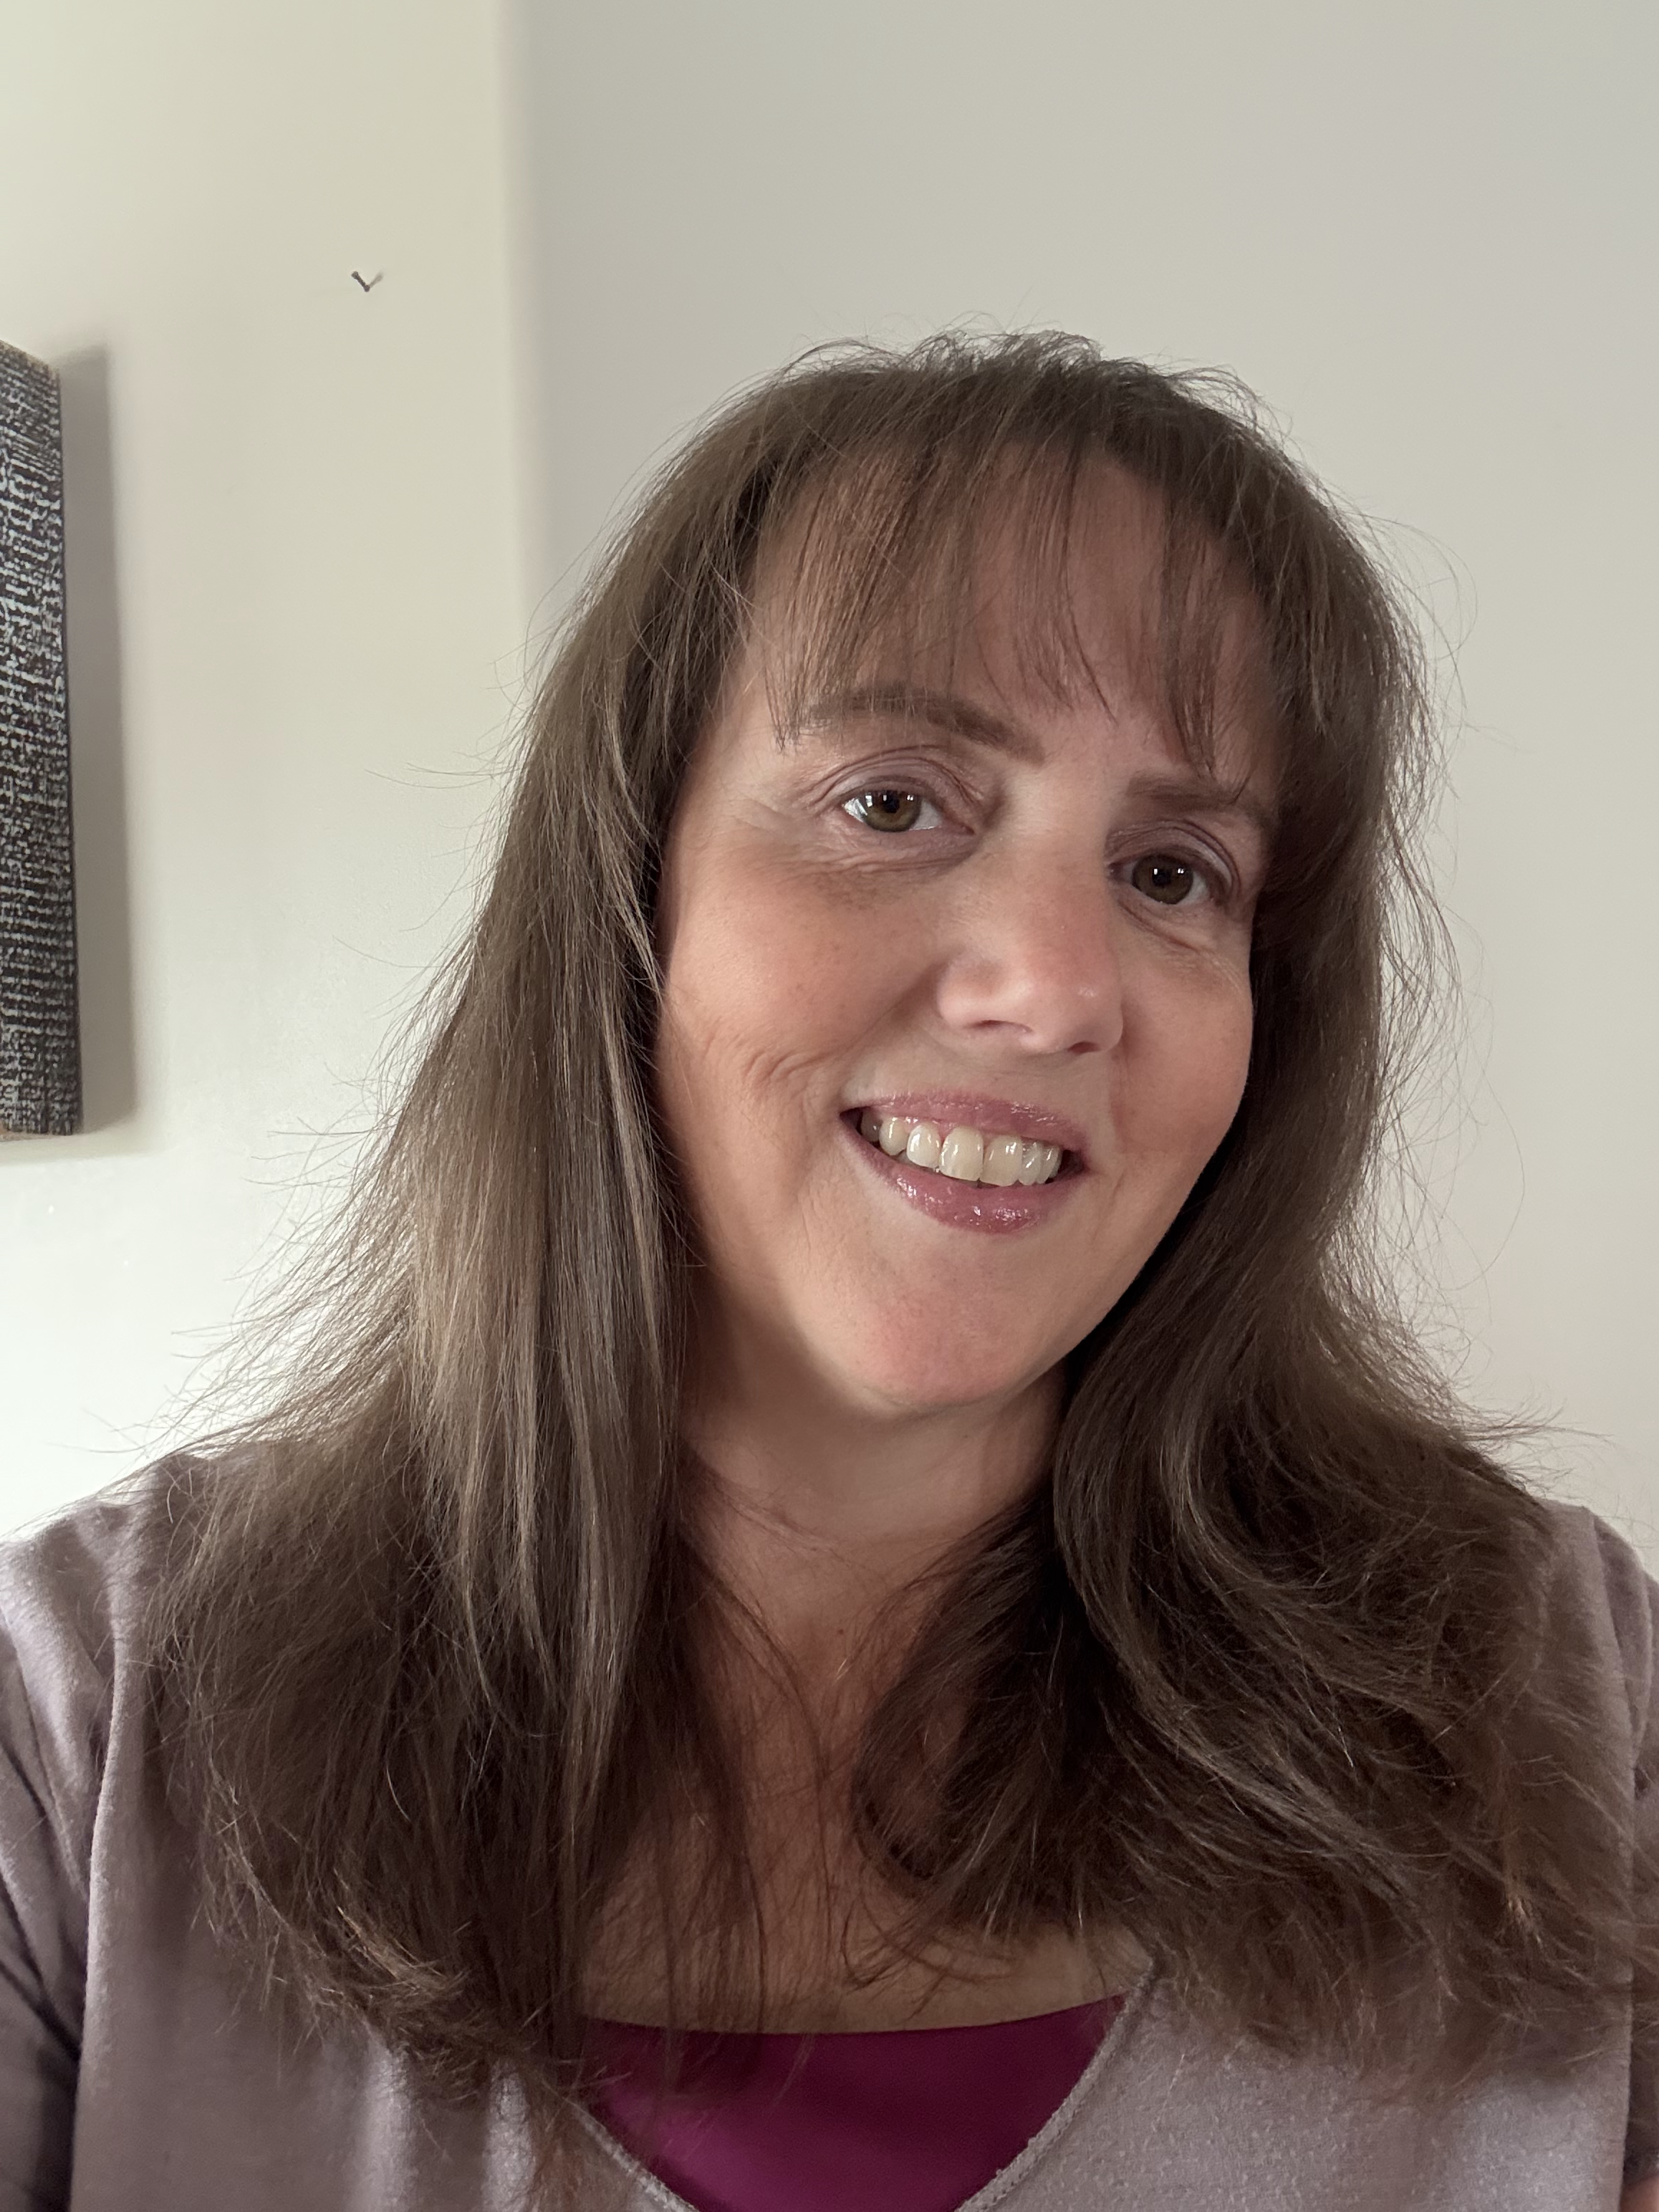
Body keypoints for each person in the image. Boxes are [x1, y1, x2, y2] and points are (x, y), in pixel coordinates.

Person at [0, 332, 1655, 2212]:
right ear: (629, 900)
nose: (1050, 984)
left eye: (1176, 873)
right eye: (894, 803)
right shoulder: (79, 1729)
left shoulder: (1567, 1698)